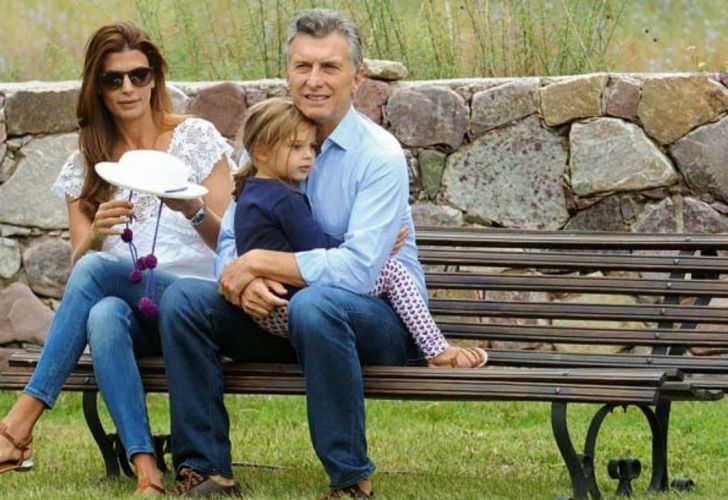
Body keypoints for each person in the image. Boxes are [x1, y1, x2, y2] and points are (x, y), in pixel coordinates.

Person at [158, 8, 453, 497]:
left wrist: (259, 263)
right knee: (184, 300)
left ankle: (350, 480)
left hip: (378, 318)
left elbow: (360, 271)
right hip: (284, 315)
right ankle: (205, 470)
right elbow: (232, 241)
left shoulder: (378, 156)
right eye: (303, 66)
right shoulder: (268, 146)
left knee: (317, 304)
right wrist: (244, 283)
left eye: (329, 67)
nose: (314, 80)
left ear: (357, 78)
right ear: (288, 74)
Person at [0, 21, 233, 496]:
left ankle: (17, 426)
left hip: (193, 305)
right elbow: (80, 269)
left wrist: (191, 209)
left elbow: (230, 244)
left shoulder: (196, 138)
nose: (128, 88)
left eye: (138, 75)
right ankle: (147, 470)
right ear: (98, 87)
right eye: (113, 79)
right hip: (135, 310)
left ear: (154, 77)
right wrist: (96, 233)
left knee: (96, 276)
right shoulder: (87, 164)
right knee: (103, 314)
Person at [233, 97, 488, 368]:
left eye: (312, 146)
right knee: (390, 271)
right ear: (261, 152)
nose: (308, 155)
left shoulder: (250, 189)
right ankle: (435, 349)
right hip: (292, 306)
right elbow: (315, 247)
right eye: (297, 147)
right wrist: (377, 247)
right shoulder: (285, 198)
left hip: (268, 308)